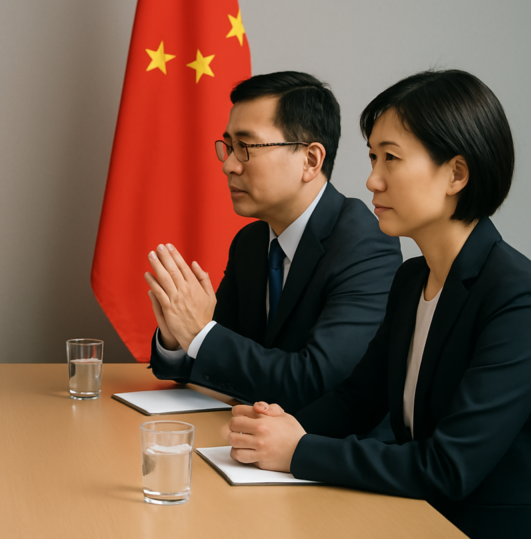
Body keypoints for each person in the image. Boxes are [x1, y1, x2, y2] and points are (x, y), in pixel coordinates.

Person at [222, 70, 530, 538]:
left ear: (456, 174)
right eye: (372, 157)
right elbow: (357, 400)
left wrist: (297, 450)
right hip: (409, 515)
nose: (372, 180)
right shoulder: (412, 278)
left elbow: (449, 467)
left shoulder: (516, 296)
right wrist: (274, 429)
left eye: (390, 158)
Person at [147, 72, 402, 413]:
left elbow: (317, 384)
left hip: (325, 453)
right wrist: (175, 338)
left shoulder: (365, 245)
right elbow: (216, 360)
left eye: (246, 147)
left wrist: (200, 333)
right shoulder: (251, 242)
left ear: (310, 160)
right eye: (229, 147)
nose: (229, 166)